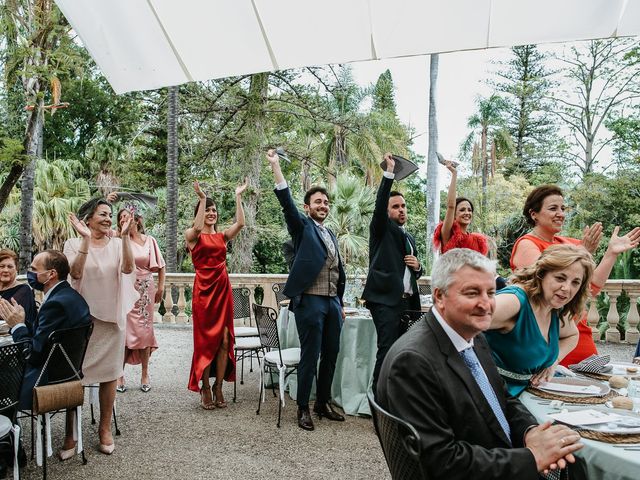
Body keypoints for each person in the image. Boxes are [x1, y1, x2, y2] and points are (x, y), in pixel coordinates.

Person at [376, 248, 583, 479]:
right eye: (472, 293)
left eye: (491, 293)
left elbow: (502, 397)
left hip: (493, 452)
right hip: (479, 466)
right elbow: (442, 462)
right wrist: (531, 457)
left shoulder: (472, 336)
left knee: (574, 460)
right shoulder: (413, 362)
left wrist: (529, 432)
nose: (486, 305)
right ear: (439, 297)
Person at [512, 184, 640, 366]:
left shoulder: (570, 243)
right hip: (549, 340)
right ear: (534, 214)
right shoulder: (526, 244)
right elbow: (539, 284)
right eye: (553, 208)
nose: (561, 213)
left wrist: (611, 252)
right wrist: (583, 250)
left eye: (562, 208)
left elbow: (592, 288)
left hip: (582, 338)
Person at [267, 148, 346, 431]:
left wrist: (340, 303)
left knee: (332, 353)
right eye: (317, 202)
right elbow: (286, 202)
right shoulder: (302, 227)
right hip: (310, 302)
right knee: (310, 355)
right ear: (308, 207)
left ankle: (322, 403)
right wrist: (276, 166)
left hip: (333, 303)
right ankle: (302, 407)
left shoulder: (331, 234)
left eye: (326, 202)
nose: (323, 205)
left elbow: (338, 271)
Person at [0, 250, 91, 460]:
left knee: (4, 379)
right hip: (67, 372)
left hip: (46, 378)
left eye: (33, 269)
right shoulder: (69, 296)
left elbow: (33, 355)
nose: (30, 273)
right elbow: (44, 336)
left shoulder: (55, 304)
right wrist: (23, 322)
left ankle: (8, 447)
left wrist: (18, 326)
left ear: (50, 274)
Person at [64, 198, 137, 455]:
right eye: (103, 214)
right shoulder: (72, 243)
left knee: (109, 376)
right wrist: (85, 240)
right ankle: (70, 432)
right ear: (88, 219)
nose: (108, 218)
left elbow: (128, 268)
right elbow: (75, 274)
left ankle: (104, 428)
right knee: (75, 377)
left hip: (112, 321)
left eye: (110, 214)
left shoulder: (118, 243)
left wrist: (126, 237)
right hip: (81, 322)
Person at [485, 244, 595, 396]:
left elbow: (572, 335)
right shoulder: (515, 302)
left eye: (575, 282)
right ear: (541, 274)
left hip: (525, 397)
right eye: (560, 278)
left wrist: (553, 363)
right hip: (490, 397)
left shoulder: (556, 310)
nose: (567, 288)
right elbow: (458, 321)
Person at [362, 153, 422, 392]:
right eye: (395, 206)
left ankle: (399, 396)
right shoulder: (381, 230)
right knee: (387, 349)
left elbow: (412, 272)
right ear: (387, 211)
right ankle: (378, 400)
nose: (401, 210)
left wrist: (418, 267)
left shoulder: (409, 237)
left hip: (409, 303)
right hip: (385, 303)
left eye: (403, 206)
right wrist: (388, 173)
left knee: (405, 353)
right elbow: (380, 203)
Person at [185, 179, 246, 409]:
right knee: (204, 341)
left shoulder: (222, 237)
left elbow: (240, 223)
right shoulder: (192, 235)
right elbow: (199, 228)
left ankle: (219, 385)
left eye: (214, 210)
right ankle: (205, 388)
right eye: (207, 210)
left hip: (222, 289)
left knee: (225, 339)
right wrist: (202, 198)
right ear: (200, 213)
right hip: (203, 292)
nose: (212, 213)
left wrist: (238, 196)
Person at [115, 208, 165, 393]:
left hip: (145, 289)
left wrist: (161, 287)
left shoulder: (149, 240)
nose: (122, 221)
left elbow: (161, 266)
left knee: (145, 332)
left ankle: (145, 373)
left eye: (125, 217)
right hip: (125, 289)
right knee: (124, 333)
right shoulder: (118, 240)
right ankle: (120, 375)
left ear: (136, 220)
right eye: (120, 219)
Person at [433, 160, 488, 255]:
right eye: (462, 210)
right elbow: (450, 206)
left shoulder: (478, 241)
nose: (467, 213)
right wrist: (454, 173)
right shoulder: (449, 234)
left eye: (469, 210)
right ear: (454, 215)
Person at [0, 249, 37, 327]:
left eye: (10, 267)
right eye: (1, 266)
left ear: (16, 269)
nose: (5, 270)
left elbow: (6, 315)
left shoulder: (24, 290)